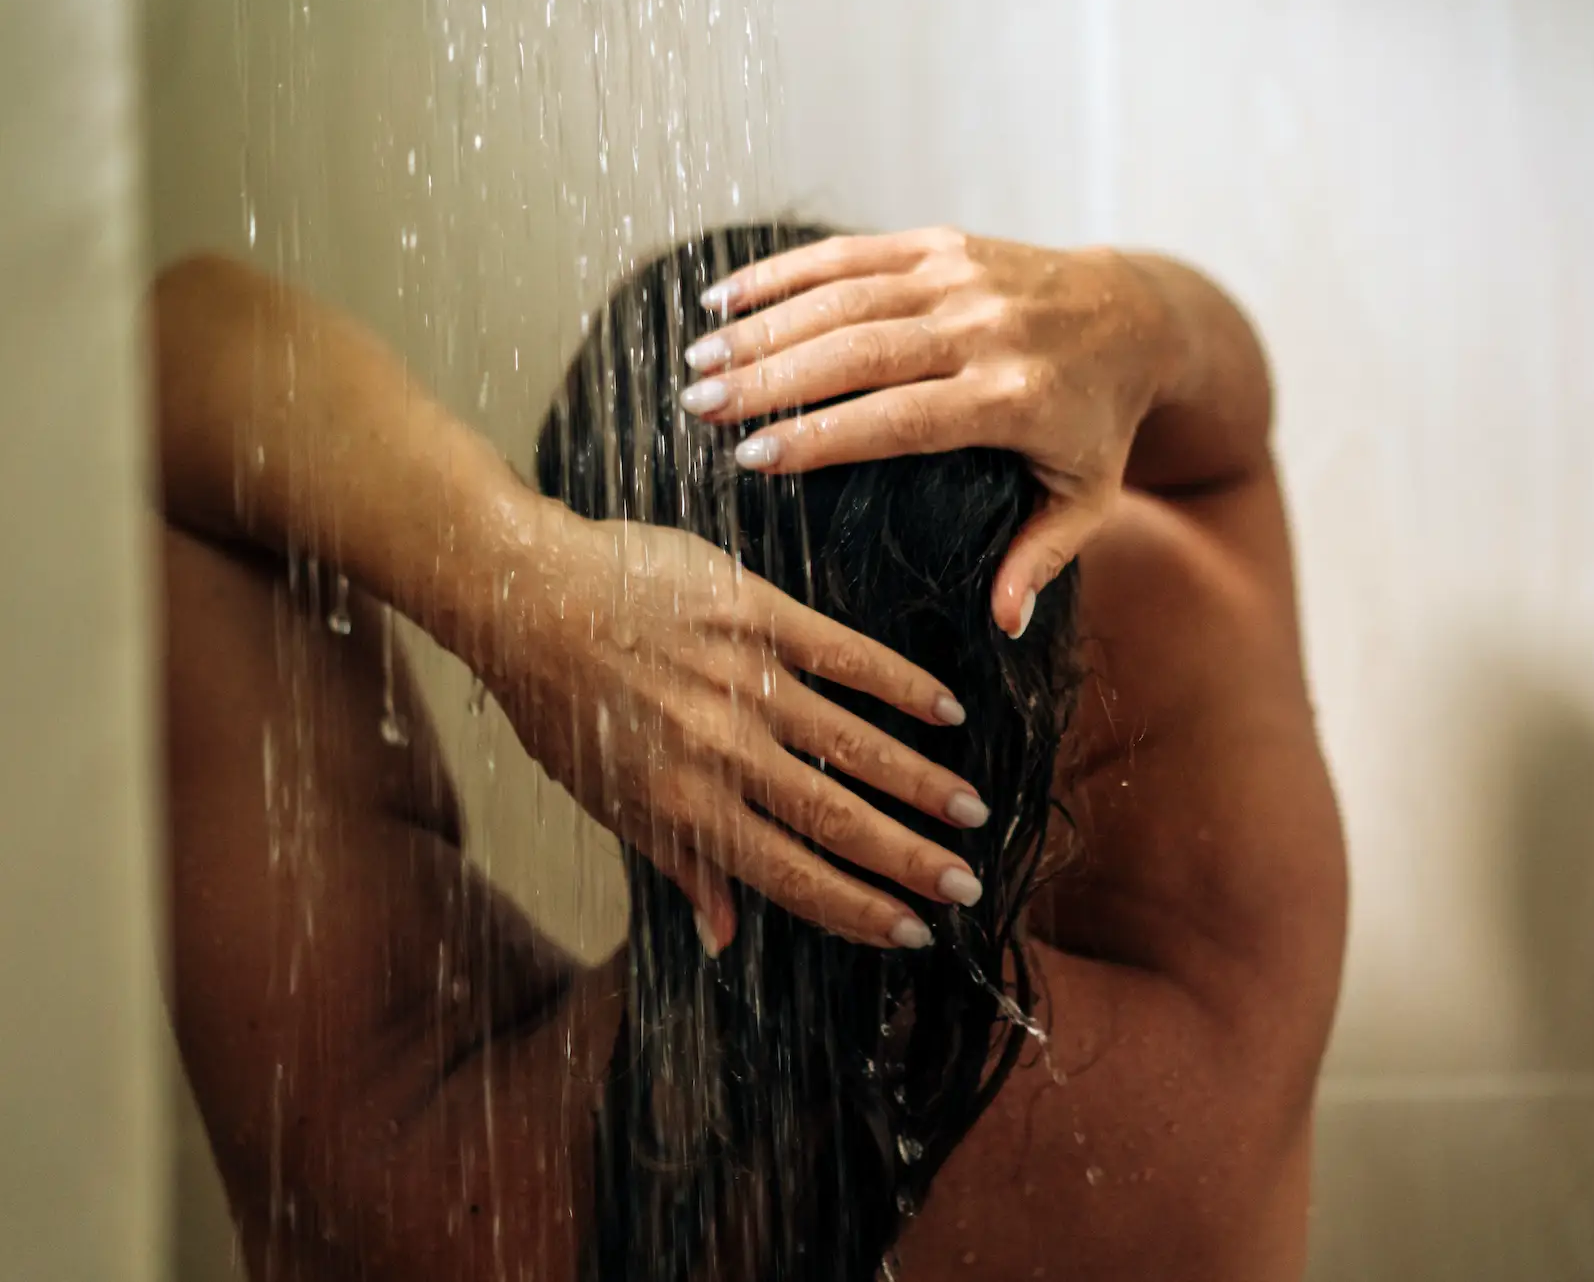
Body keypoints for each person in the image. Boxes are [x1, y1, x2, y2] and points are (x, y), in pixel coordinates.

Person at [154, 222, 1347, 1281]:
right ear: (1039, 661)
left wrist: (507, 577)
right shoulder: (1216, 1050)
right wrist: (1132, 312)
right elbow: (1219, 455)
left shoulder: (389, 1132)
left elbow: (161, 357)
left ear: (597, 717)